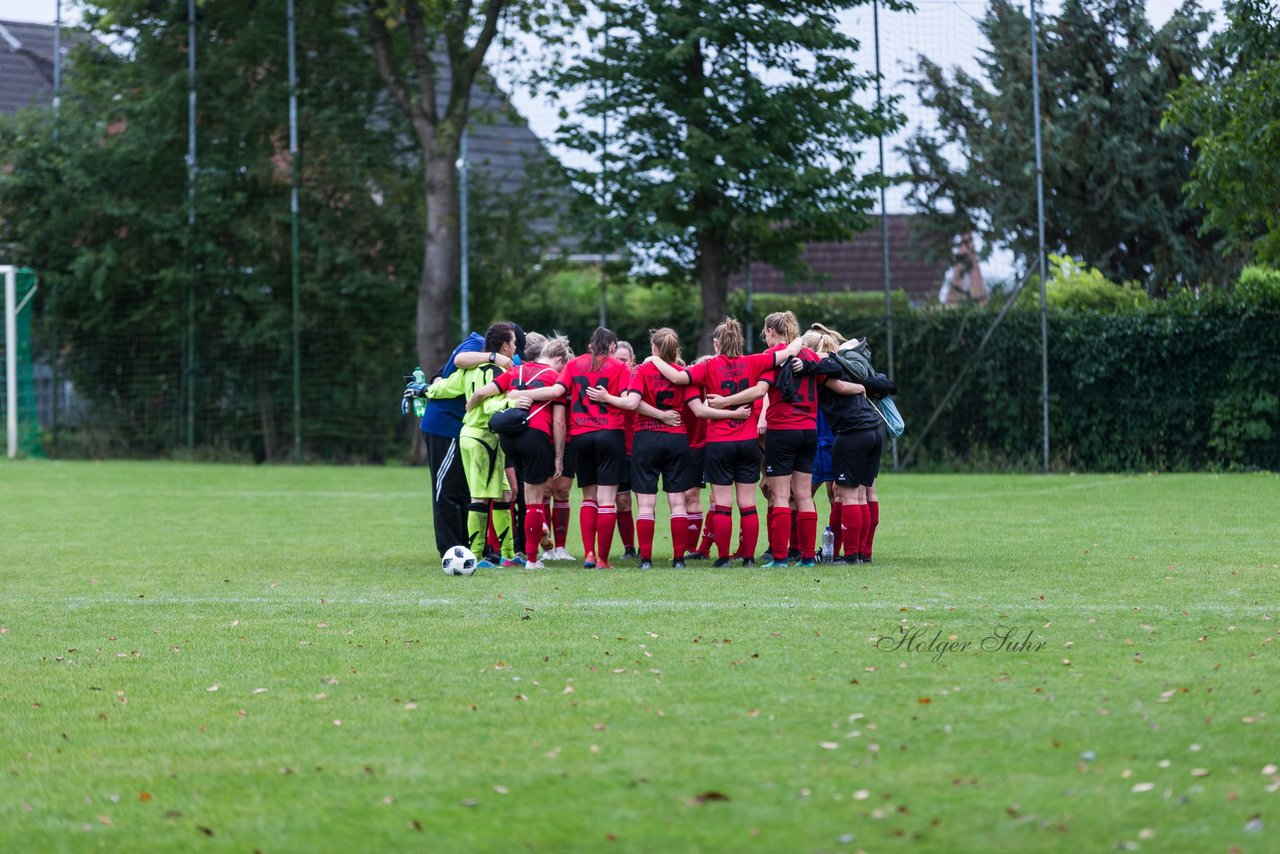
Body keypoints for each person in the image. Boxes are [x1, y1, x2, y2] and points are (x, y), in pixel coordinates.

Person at [508, 326, 632, 569]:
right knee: (606, 501)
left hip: (581, 437)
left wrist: (524, 394)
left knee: (588, 499)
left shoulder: (574, 366)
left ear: (589, 347)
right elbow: (629, 401)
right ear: (613, 348)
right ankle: (602, 560)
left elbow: (556, 391)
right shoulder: (621, 368)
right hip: (610, 434)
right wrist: (609, 399)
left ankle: (588, 553)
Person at [648, 317, 764, 567]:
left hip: (720, 442)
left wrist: (655, 358)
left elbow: (679, 378)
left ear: (716, 343)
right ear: (740, 341)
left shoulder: (707, 367)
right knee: (748, 503)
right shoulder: (754, 361)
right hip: (748, 441)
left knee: (722, 503)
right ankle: (749, 559)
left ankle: (723, 558)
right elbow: (784, 353)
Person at [705, 311, 818, 567]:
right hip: (809, 429)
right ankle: (808, 558)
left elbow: (759, 391)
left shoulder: (770, 358)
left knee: (779, 495)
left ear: (769, 332)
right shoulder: (810, 355)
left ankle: (779, 558)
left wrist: (725, 402)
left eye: (764, 333)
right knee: (803, 495)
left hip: (782, 428)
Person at [466, 334, 572, 569]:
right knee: (534, 502)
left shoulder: (516, 371)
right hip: (535, 437)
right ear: (558, 358)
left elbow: (482, 393)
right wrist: (558, 457)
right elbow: (558, 423)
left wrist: (470, 410)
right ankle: (532, 561)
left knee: (520, 494)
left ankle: (518, 550)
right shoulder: (555, 378)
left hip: (508, 438)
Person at [425, 323, 521, 567]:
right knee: (473, 496)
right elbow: (488, 405)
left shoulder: (475, 369)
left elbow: (445, 387)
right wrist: (513, 403)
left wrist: (426, 389)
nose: (516, 350)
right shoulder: (489, 365)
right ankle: (473, 555)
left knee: (502, 493)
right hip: (476, 435)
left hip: (480, 436)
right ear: (505, 345)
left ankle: (507, 554)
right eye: (514, 344)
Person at [807, 335, 897, 563]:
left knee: (847, 495)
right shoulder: (843, 364)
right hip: (872, 431)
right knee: (858, 496)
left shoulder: (824, 368)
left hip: (853, 433)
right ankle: (861, 554)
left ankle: (850, 556)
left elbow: (840, 385)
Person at [612, 340, 639, 561]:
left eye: (623, 360)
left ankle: (646, 547)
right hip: (618, 449)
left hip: (640, 448)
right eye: (615, 360)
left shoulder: (639, 380)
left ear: (632, 361)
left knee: (645, 500)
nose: (619, 364)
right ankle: (629, 548)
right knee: (622, 501)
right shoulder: (609, 383)